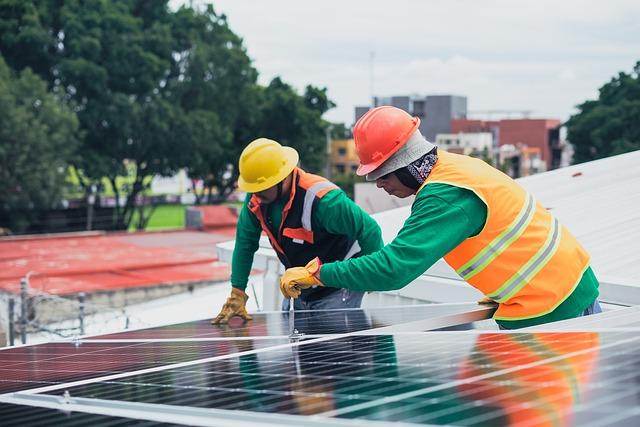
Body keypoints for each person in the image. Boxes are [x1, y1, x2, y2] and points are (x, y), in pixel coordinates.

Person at [279, 106, 601, 330]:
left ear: (404, 162)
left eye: (381, 174)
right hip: (557, 290)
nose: (378, 183)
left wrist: (319, 274)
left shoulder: (445, 195)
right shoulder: (454, 167)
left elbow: (395, 269)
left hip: (553, 305)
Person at [212, 137, 384, 324]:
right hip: (299, 285)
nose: (256, 195)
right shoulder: (256, 200)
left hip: (337, 286)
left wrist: (372, 276)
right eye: (253, 189)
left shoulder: (323, 200)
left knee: (332, 346)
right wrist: (237, 291)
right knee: (300, 346)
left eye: (261, 188)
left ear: (283, 178)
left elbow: (369, 229)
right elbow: (245, 243)